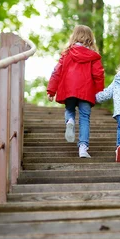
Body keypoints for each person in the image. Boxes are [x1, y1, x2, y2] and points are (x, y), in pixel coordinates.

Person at [47, 25, 105, 158]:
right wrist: (99, 92)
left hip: (69, 89)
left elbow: (57, 71)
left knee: (70, 110)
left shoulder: (67, 54)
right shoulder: (94, 56)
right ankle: (83, 148)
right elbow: (98, 75)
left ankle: (70, 121)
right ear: (91, 39)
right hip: (86, 90)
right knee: (85, 118)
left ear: (74, 36)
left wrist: (51, 90)